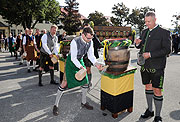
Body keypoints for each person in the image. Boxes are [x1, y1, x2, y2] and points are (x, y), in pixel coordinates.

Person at [53, 27, 103, 116]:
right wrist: (81, 67)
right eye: (88, 38)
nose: (89, 40)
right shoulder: (75, 41)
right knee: (64, 84)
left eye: (91, 38)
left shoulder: (90, 41)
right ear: (83, 35)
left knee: (85, 83)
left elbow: (91, 55)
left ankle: (83, 103)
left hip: (79, 61)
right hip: (71, 62)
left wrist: (96, 64)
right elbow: (73, 58)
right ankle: (55, 105)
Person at [134, 12, 171, 122]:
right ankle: (150, 110)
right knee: (148, 87)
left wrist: (150, 54)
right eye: (145, 21)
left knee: (157, 90)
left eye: (149, 21)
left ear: (155, 19)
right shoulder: (144, 31)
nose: (146, 24)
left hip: (157, 67)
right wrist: (137, 43)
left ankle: (158, 116)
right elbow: (140, 46)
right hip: (145, 66)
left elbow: (168, 50)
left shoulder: (164, 32)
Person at [83, 22, 101, 87]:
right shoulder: (82, 35)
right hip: (83, 55)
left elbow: (98, 43)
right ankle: (85, 81)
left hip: (88, 55)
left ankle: (89, 82)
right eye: (85, 28)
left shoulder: (92, 35)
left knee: (88, 69)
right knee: (83, 69)